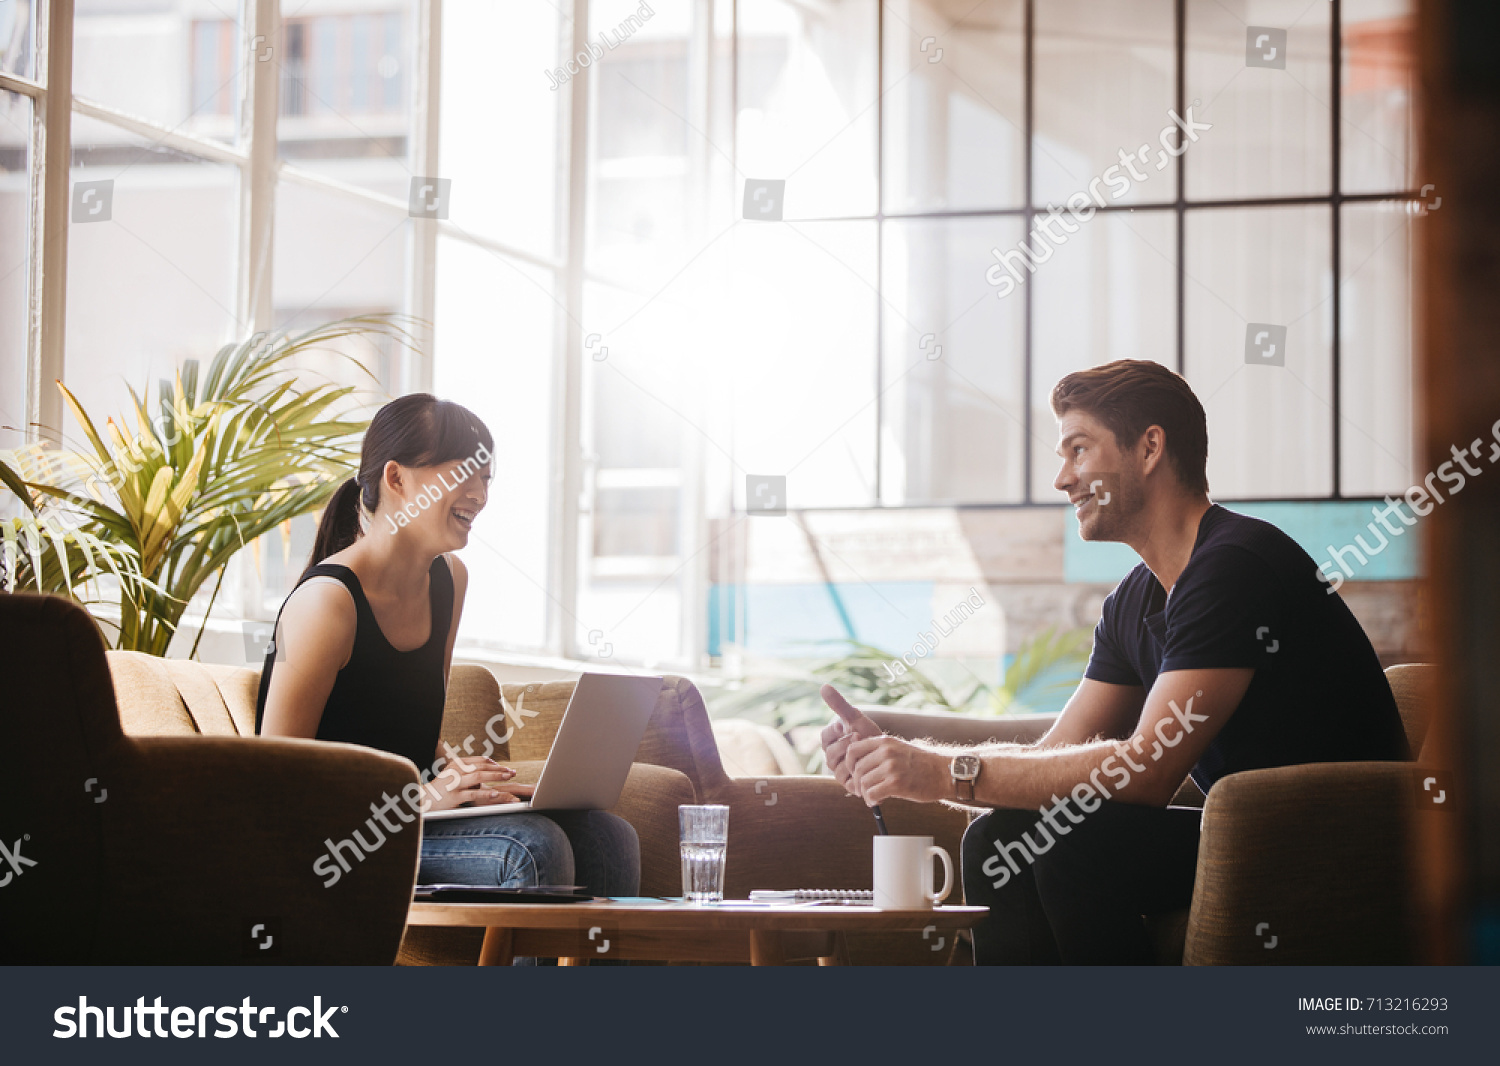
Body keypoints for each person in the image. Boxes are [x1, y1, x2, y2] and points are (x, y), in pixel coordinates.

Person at [819, 359, 1410, 964]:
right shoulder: (1135, 599)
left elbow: (1148, 771)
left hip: (1337, 837)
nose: (1061, 479)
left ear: (1150, 447)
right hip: (1242, 832)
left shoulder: (1235, 566)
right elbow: (1053, 759)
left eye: (1078, 450)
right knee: (1001, 838)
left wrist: (942, 773)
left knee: (1078, 844)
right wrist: (901, 758)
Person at [256, 393, 640, 917]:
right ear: (397, 479)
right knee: (535, 848)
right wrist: (420, 802)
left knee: (611, 838)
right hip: (338, 840)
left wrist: (458, 773)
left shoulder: (449, 581)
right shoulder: (328, 603)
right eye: (468, 474)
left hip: (411, 816)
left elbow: (401, 719)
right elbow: (271, 781)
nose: (481, 495)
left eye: (488, 479)